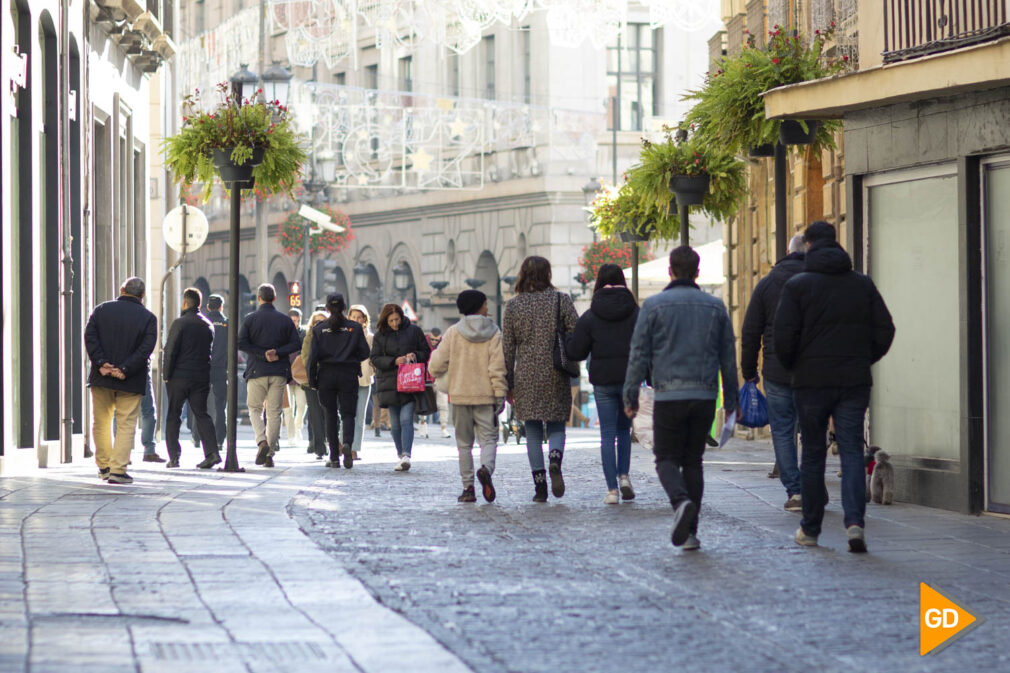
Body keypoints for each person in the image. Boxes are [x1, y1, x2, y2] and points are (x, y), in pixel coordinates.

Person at [774, 221, 895, 553]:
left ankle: (810, 528)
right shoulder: (862, 285)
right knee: (852, 450)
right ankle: (855, 523)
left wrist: (795, 366)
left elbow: (782, 338)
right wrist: (862, 357)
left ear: (809, 246)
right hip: (853, 380)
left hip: (810, 383)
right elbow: (885, 329)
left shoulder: (797, 287)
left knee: (813, 453)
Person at [624, 247, 738, 551]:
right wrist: (732, 402)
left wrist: (631, 393)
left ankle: (680, 502)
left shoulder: (654, 306)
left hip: (670, 394)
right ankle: (690, 532)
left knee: (665, 458)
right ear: (697, 273)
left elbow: (638, 354)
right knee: (693, 462)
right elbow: (728, 357)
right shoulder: (715, 307)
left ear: (670, 271)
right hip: (704, 395)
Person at [502, 255, 578, 502]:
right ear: (548, 274)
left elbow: (507, 348)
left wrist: (508, 383)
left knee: (532, 430)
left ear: (523, 275)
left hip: (525, 374)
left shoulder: (513, 306)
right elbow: (576, 332)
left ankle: (540, 486)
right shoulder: (561, 300)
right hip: (555, 370)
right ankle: (555, 457)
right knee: (556, 423)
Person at [740, 234, 807, 512]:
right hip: (812, 370)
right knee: (810, 427)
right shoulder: (818, 281)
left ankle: (795, 491)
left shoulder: (767, 284)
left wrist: (749, 371)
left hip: (777, 370)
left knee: (781, 429)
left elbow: (750, 331)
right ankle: (811, 483)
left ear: (786, 252)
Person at [567, 264, 639, 504]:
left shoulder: (591, 315)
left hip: (603, 381)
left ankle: (611, 490)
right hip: (629, 380)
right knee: (624, 431)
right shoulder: (635, 312)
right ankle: (625, 477)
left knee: (607, 434)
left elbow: (576, 351)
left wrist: (567, 338)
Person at [429, 290, 508, 503]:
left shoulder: (453, 332)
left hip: (459, 395)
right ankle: (486, 469)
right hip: (486, 396)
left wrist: (447, 375)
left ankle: (468, 488)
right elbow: (498, 368)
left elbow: (435, 364)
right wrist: (500, 394)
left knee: (464, 444)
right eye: (485, 304)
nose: (488, 308)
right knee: (489, 439)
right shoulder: (494, 332)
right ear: (479, 306)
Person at [84, 276, 158, 484]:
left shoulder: (101, 310)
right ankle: (118, 470)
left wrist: (101, 363)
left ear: (122, 289)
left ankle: (105, 466)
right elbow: (146, 348)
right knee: (127, 424)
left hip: (102, 376)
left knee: (101, 422)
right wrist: (125, 368)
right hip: (130, 379)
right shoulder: (148, 318)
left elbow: (90, 336)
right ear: (142, 295)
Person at [237, 283, 302, 467]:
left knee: (254, 409)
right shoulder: (284, 320)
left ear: (259, 298)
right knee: (274, 412)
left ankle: (261, 441)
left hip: (257, 370)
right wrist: (278, 352)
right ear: (274, 298)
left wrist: (260, 353)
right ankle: (270, 454)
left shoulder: (251, 319)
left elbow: (241, 343)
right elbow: (296, 344)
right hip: (278, 371)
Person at [307, 293, 371, 469]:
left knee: (330, 415)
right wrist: (351, 358)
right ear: (344, 307)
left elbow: (313, 358)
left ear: (327, 308)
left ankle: (334, 456)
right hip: (348, 375)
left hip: (326, 376)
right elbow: (365, 352)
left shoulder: (319, 329)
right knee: (348, 414)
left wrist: (312, 380)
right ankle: (348, 445)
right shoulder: (354, 328)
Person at [162, 287, 220, 469]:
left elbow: (170, 351)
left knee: (173, 416)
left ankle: (174, 457)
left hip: (179, 376)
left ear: (185, 303)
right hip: (201, 377)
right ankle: (212, 453)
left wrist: (166, 375)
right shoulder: (208, 325)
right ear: (200, 304)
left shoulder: (180, 323)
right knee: (202, 415)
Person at [370, 303, 431, 471]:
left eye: (397, 319)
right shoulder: (380, 336)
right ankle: (400, 454)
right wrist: (393, 361)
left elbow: (425, 352)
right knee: (395, 425)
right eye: (391, 321)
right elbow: (374, 358)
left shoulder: (414, 331)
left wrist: (415, 355)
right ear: (385, 320)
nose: (395, 323)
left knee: (406, 420)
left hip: (410, 383)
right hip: (389, 384)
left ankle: (406, 455)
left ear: (401, 317)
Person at [192, 294, 228, 451]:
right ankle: (220, 439)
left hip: (202, 367)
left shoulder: (201, 322)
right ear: (221, 307)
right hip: (220, 369)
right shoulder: (226, 323)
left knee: (199, 402)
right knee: (221, 405)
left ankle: (197, 437)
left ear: (207, 307)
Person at [301, 310, 330, 459]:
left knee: (329, 412)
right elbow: (305, 358)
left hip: (329, 379)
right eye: (316, 322)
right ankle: (319, 446)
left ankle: (330, 440)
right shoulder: (309, 337)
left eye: (322, 321)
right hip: (310, 380)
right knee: (315, 414)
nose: (319, 324)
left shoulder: (332, 337)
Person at [348, 305, 375, 461]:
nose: (357, 320)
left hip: (364, 380)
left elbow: (373, 358)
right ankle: (342, 443)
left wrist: (371, 371)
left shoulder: (370, 337)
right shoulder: (345, 335)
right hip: (347, 380)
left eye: (360, 317)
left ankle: (355, 448)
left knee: (360, 416)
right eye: (354, 317)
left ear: (365, 319)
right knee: (346, 414)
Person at [282, 307, 308, 446]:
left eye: (298, 321)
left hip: (299, 373)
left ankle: (298, 428)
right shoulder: (283, 334)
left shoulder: (304, 333)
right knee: (288, 407)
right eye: (293, 321)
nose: (296, 323)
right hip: (287, 373)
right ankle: (292, 435)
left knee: (302, 405)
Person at [139, 375, 165, 462]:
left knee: (121, 413)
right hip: (141, 374)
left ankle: (121, 452)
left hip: (120, 374)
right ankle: (149, 450)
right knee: (148, 412)